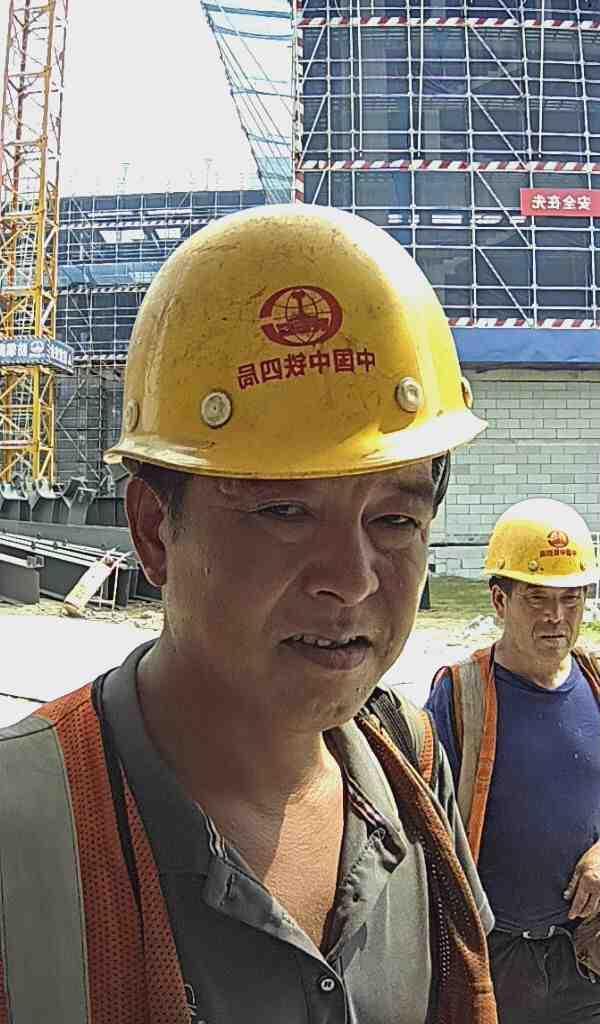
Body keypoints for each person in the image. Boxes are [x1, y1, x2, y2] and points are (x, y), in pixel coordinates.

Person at [0, 204, 496, 1024]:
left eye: (394, 519)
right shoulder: (23, 826)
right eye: (283, 512)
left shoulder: (409, 769)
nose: (352, 580)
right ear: (154, 531)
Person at [426, 497, 600, 1024]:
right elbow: (421, 826)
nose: (556, 617)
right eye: (536, 598)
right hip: (496, 960)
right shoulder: (460, 696)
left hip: (586, 958)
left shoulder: (597, 684)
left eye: (571, 599)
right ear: (500, 600)